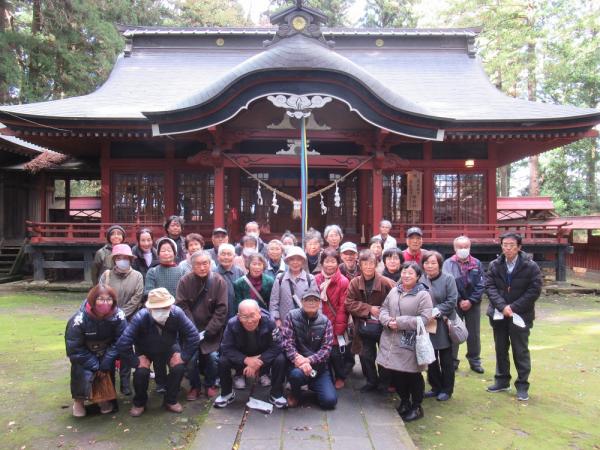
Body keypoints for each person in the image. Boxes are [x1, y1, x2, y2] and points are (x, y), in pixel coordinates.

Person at [117, 288, 200, 416]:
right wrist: (135, 360)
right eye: (157, 308)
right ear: (149, 308)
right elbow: (123, 343)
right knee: (141, 372)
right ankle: (139, 402)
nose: (162, 311)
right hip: (145, 349)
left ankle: (171, 400)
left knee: (179, 368)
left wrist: (184, 356)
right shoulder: (140, 317)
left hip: (169, 346)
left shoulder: (177, 313)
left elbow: (193, 336)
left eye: (165, 307)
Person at [485, 232, 542, 401]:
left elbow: (534, 290)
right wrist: (503, 307)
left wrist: (513, 307)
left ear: (519, 247)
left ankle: (522, 385)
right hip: (499, 314)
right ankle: (502, 380)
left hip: (521, 314)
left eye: (511, 245)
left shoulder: (530, 266)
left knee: (520, 350)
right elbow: (490, 287)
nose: (507, 248)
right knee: (500, 348)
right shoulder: (495, 264)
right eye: (504, 244)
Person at [376, 262, 433, 422]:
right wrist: (387, 320)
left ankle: (416, 406)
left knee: (412, 374)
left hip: (410, 341)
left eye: (410, 273)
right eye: (404, 272)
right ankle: (404, 401)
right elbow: (384, 308)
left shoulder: (423, 295)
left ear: (418, 277)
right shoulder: (394, 290)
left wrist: (400, 322)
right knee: (397, 373)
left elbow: (425, 318)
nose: (406, 276)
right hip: (391, 339)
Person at [65, 284, 127, 417]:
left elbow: (121, 339)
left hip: (107, 350)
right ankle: (79, 401)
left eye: (109, 299)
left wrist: (109, 357)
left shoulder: (119, 316)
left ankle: (103, 398)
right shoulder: (79, 319)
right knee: (81, 372)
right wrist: (92, 362)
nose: (105, 303)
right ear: (93, 300)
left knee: (105, 371)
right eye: (100, 299)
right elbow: (74, 347)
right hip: (84, 351)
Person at [214, 299, 288, 409]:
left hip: (263, 357)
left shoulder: (270, 322)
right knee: (223, 360)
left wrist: (258, 361)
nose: (249, 321)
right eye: (244, 316)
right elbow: (226, 348)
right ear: (238, 316)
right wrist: (247, 360)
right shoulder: (232, 324)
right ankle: (227, 393)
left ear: (259, 313)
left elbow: (277, 345)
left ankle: (276, 394)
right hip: (242, 357)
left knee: (280, 359)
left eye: (252, 315)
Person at [176, 251, 229, 400]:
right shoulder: (185, 281)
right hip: (190, 329)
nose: (202, 267)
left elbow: (222, 309)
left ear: (210, 264)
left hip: (211, 330)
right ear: (192, 266)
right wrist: (192, 329)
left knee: (213, 358)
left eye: (205, 263)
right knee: (191, 360)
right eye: (198, 264)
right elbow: (182, 306)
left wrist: (209, 330)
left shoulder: (218, 281)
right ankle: (195, 386)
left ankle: (210, 384)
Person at [345, 249, 395, 392]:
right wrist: (369, 308)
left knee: (385, 355)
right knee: (366, 355)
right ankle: (371, 381)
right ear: (359, 265)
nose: (368, 266)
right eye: (365, 263)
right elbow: (348, 303)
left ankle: (384, 383)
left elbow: (397, 300)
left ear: (376, 264)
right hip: (364, 326)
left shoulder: (386, 282)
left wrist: (385, 314)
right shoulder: (354, 283)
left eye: (371, 263)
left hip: (384, 326)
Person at [98, 244, 144, 395]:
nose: (122, 260)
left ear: (130, 259)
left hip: (130, 319)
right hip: (108, 318)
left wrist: (122, 313)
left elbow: (137, 297)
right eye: (119, 258)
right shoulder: (106, 276)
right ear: (114, 260)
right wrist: (111, 313)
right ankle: (108, 381)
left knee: (125, 349)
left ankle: (125, 381)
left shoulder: (137, 276)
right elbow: (101, 295)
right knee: (109, 349)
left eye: (125, 258)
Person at [281, 289, 337, 409]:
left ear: (319, 303)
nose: (311, 303)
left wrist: (309, 360)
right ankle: (295, 393)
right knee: (296, 375)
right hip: (297, 366)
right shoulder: (291, 316)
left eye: (315, 300)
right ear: (301, 301)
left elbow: (326, 349)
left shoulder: (325, 322)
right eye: (307, 300)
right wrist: (298, 359)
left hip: (318, 368)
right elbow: (287, 342)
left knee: (330, 402)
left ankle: (313, 386)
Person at [442, 236, 485, 374]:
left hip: (473, 303)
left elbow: (481, 284)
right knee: (453, 331)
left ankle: (475, 361)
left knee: (474, 333)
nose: (463, 249)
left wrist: (471, 300)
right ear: (455, 248)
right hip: (454, 303)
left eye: (466, 247)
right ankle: (452, 361)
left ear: (470, 248)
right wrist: (459, 300)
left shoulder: (477, 263)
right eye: (460, 247)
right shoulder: (448, 263)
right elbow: (448, 284)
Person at [420, 251, 458, 401]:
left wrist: (436, 310)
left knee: (446, 358)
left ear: (440, 264)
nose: (430, 266)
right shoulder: (421, 278)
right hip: (427, 323)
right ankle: (435, 386)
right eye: (427, 263)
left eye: (433, 263)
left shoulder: (448, 279)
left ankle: (447, 389)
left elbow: (452, 300)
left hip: (443, 322)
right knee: (431, 357)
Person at [314, 248, 351, 389]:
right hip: (320, 321)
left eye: (333, 261)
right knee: (322, 352)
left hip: (336, 322)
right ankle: (326, 376)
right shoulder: (316, 279)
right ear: (322, 263)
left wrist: (339, 327)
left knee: (335, 353)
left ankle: (341, 376)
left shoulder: (343, 281)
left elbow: (343, 306)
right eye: (327, 261)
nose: (329, 265)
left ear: (338, 263)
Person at [269, 246, 315, 328]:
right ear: (287, 261)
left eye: (298, 259)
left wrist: (315, 320)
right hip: (284, 324)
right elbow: (274, 302)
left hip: (305, 323)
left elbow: (316, 302)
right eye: (292, 259)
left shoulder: (310, 279)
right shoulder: (280, 278)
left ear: (303, 261)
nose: (295, 262)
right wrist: (276, 319)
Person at [213, 243, 244, 321]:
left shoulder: (240, 272)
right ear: (218, 257)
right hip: (217, 315)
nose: (226, 257)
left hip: (236, 314)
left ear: (234, 257)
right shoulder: (212, 274)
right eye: (223, 254)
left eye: (229, 254)